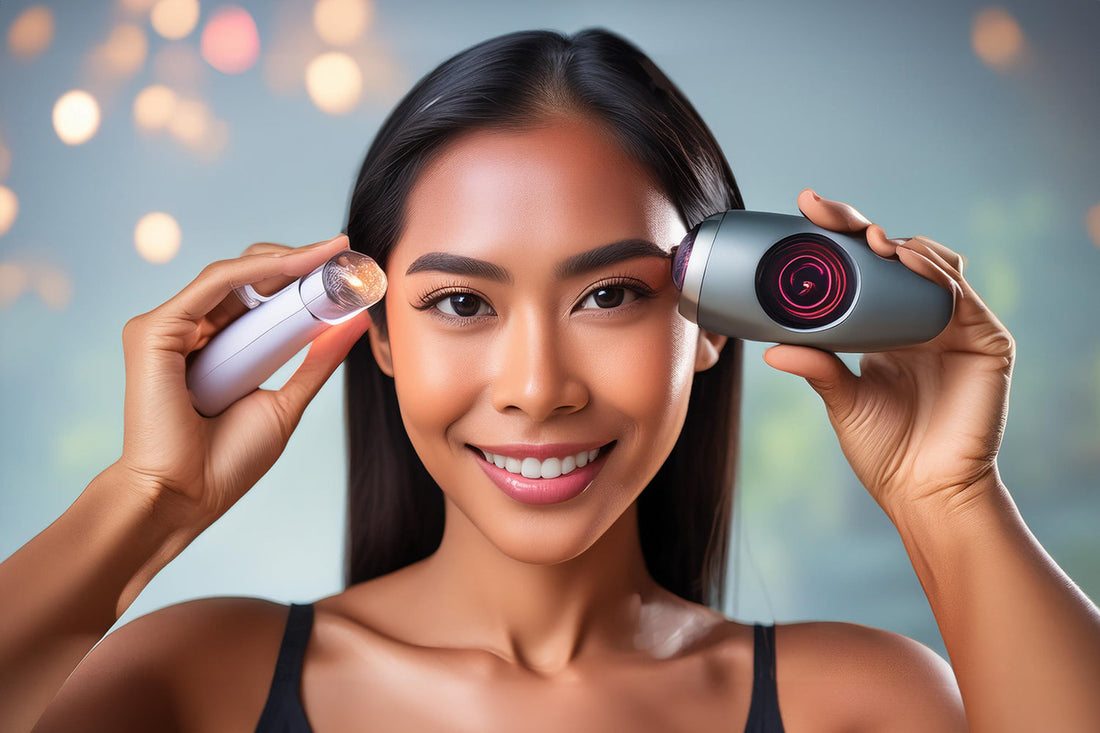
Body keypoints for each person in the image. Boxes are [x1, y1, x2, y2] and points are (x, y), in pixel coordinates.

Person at [2, 27, 1098, 733]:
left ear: (710, 323)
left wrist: (952, 504)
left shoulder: (859, 703)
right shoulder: (201, 681)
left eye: (610, 295)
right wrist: (146, 503)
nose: (536, 388)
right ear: (379, 336)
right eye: (462, 303)